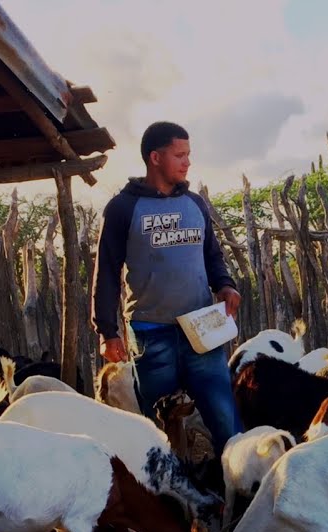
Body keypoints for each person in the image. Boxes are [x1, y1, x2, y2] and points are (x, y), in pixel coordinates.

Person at [91, 121, 243, 451]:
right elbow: (106, 271)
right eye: (180, 155)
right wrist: (107, 331)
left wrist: (226, 285)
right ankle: (171, 499)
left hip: (203, 328)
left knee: (226, 421)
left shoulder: (195, 204)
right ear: (155, 158)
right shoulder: (123, 208)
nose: (187, 162)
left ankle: (236, 495)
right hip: (151, 331)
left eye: (188, 155)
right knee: (159, 431)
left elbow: (212, 255)